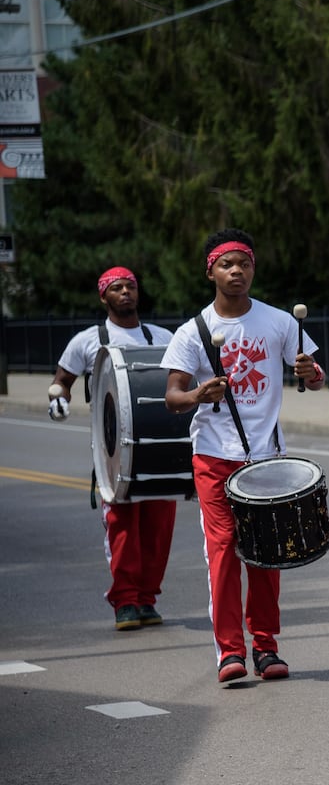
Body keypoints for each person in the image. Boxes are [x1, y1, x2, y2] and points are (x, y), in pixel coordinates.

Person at [162, 228, 326, 683]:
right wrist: (199, 392)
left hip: (268, 459)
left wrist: (310, 372)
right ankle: (229, 652)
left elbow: (314, 377)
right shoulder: (193, 331)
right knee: (223, 553)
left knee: (266, 555)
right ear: (210, 271)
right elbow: (172, 397)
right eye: (227, 264)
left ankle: (266, 648)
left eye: (244, 264)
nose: (237, 272)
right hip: (215, 456)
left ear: (254, 268)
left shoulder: (280, 322)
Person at [49, 266, 178, 631]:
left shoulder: (163, 337)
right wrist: (58, 402)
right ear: (103, 296)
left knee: (158, 527)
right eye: (117, 288)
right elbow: (62, 381)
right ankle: (125, 600)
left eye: (131, 286)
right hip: (112, 449)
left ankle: (147, 599)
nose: (126, 293)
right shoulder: (88, 340)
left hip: (158, 445)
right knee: (122, 527)